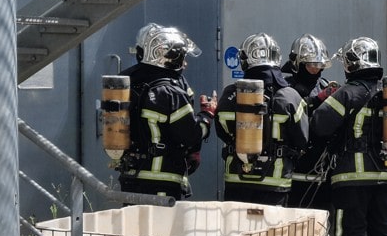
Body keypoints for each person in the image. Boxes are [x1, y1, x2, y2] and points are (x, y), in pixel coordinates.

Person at [309, 36, 387, 236]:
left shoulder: (348, 93)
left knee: (351, 232)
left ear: (351, 64)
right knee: (382, 229)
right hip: (386, 175)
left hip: (352, 177)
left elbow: (319, 124)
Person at [214, 33, 310, 205]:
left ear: (244, 60)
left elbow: (222, 132)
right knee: (272, 224)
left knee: (236, 223)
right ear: (277, 58)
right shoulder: (290, 96)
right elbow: (302, 139)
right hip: (275, 182)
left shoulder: (230, 94)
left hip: (237, 179)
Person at [118, 25, 214, 199]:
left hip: (130, 176)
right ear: (170, 59)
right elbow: (191, 135)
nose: (185, 63)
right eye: (182, 57)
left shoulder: (128, 82)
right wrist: (207, 115)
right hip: (161, 181)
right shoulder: (171, 92)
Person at [280, 34, 337, 210]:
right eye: (312, 65)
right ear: (298, 64)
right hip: (292, 164)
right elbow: (290, 114)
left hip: (320, 165)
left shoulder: (324, 85)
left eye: (319, 65)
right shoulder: (284, 87)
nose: (316, 70)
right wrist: (317, 100)